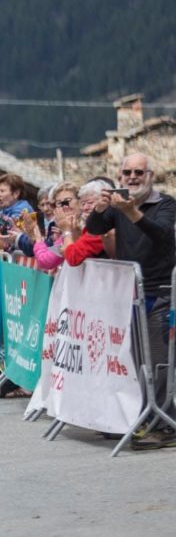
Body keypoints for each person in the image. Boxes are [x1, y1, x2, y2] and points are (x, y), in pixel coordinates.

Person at [83, 154, 176, 449]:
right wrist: (98, 211)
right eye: (127, 172)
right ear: (119, 176)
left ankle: (165, 425)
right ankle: (150, 415)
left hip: (160, 291)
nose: (132, 177)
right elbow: (95, 230)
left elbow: (162, 236)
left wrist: (131, 211)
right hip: (130, 293)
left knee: (160, 361)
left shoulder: (166, 204)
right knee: (140, 361)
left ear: (150, 174)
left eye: (139, 172)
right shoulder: (118, 205)